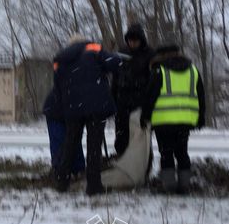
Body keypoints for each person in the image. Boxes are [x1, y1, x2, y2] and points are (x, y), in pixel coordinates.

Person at [52, 33, 124, 195]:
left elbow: (57, 87)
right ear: (84, 41)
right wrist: (116, 57)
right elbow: (115, 64)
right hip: (96, 106)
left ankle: (62, 181)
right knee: (94, 146)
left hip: (73, 108)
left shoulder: (60, 59)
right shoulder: (92, 49)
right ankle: (93, 185)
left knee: (70, 143)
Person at [141, 44, 205, 194]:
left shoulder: (159, 71)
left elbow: (150, 97)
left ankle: (169, 187)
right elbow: (201, 96)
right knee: (182, 152)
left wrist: (145, 116)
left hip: (163, 121)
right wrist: (200, 117)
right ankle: (184, 187)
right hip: (185, 121)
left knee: (166, 153)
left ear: (162, 55)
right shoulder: (193, 71)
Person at [112, 24, 154, 156]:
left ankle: (143, 168)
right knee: (121, 136)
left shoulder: (150, 54)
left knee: (141, 137)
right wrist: (113, 97)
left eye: (135, 40)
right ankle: (122, 161)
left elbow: (152, 79)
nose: (132, 43)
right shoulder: (121, 52)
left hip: (140, 102)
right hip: (122, 102)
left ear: (141, 40)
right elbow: (115, 77)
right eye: (130, 40)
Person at [43, 88, 85, 176]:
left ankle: (67, 169)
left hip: (62, 108)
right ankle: (63, 170)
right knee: (62, 140)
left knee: (70, 140)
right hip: (58, 110)